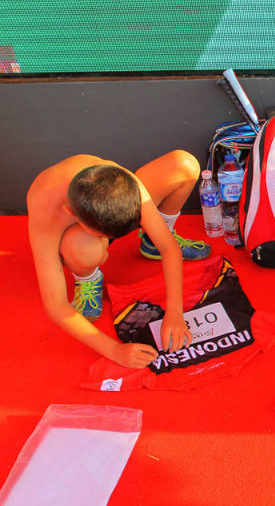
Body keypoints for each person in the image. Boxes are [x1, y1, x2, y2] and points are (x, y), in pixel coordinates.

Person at [27, 151, 212, 369]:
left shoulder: (126, 183)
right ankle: (87, 277)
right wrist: (114, 350)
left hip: (110, 211)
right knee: (82, 247)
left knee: (183, 164)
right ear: (70, 212)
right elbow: (56, 305)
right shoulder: (45, 209)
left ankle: (151, 240)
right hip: (79, 238)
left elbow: (169, 248)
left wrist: (175, 313)